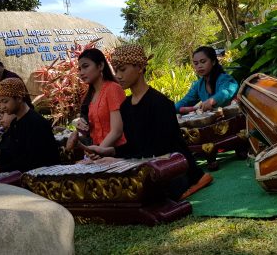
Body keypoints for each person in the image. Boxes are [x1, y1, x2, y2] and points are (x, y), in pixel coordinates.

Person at [85, 44, 213, 200]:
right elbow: (135, 146)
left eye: (122, 70)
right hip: (147, 161)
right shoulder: (125, 106)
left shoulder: (160, 103)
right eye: (116, 70)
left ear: (139, 67)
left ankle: (197, 179)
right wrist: (109, 151)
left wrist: (120, 159)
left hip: (174, 168)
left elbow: (160, 150)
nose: (118, 75)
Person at [0, 78, 59, 173]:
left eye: (5, 101)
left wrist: (0, 169)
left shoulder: (35, 123)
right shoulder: (15, 122)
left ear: (19, 98)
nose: (2, 107)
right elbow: (17, 154)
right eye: (0, 102)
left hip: (43, 177)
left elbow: (32, 160)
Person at [66, 48, 126, 150]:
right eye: (79, 69)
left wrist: (97, 151)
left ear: (101, 66)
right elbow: (92, 132)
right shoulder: (87, 96)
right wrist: (82, 127)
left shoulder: (113, 89)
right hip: (98, 153)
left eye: (85, 66)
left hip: (118, 153)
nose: (81, 73)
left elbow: (117, 131)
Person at [174, 46, 239, 113]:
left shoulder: (225, 79)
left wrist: (212, 100)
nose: (199, 66)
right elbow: (185, 101)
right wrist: (169, 110)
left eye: (203, 61)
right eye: (196, 63)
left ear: (213, 62)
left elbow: (227, 91)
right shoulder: (199, 85)